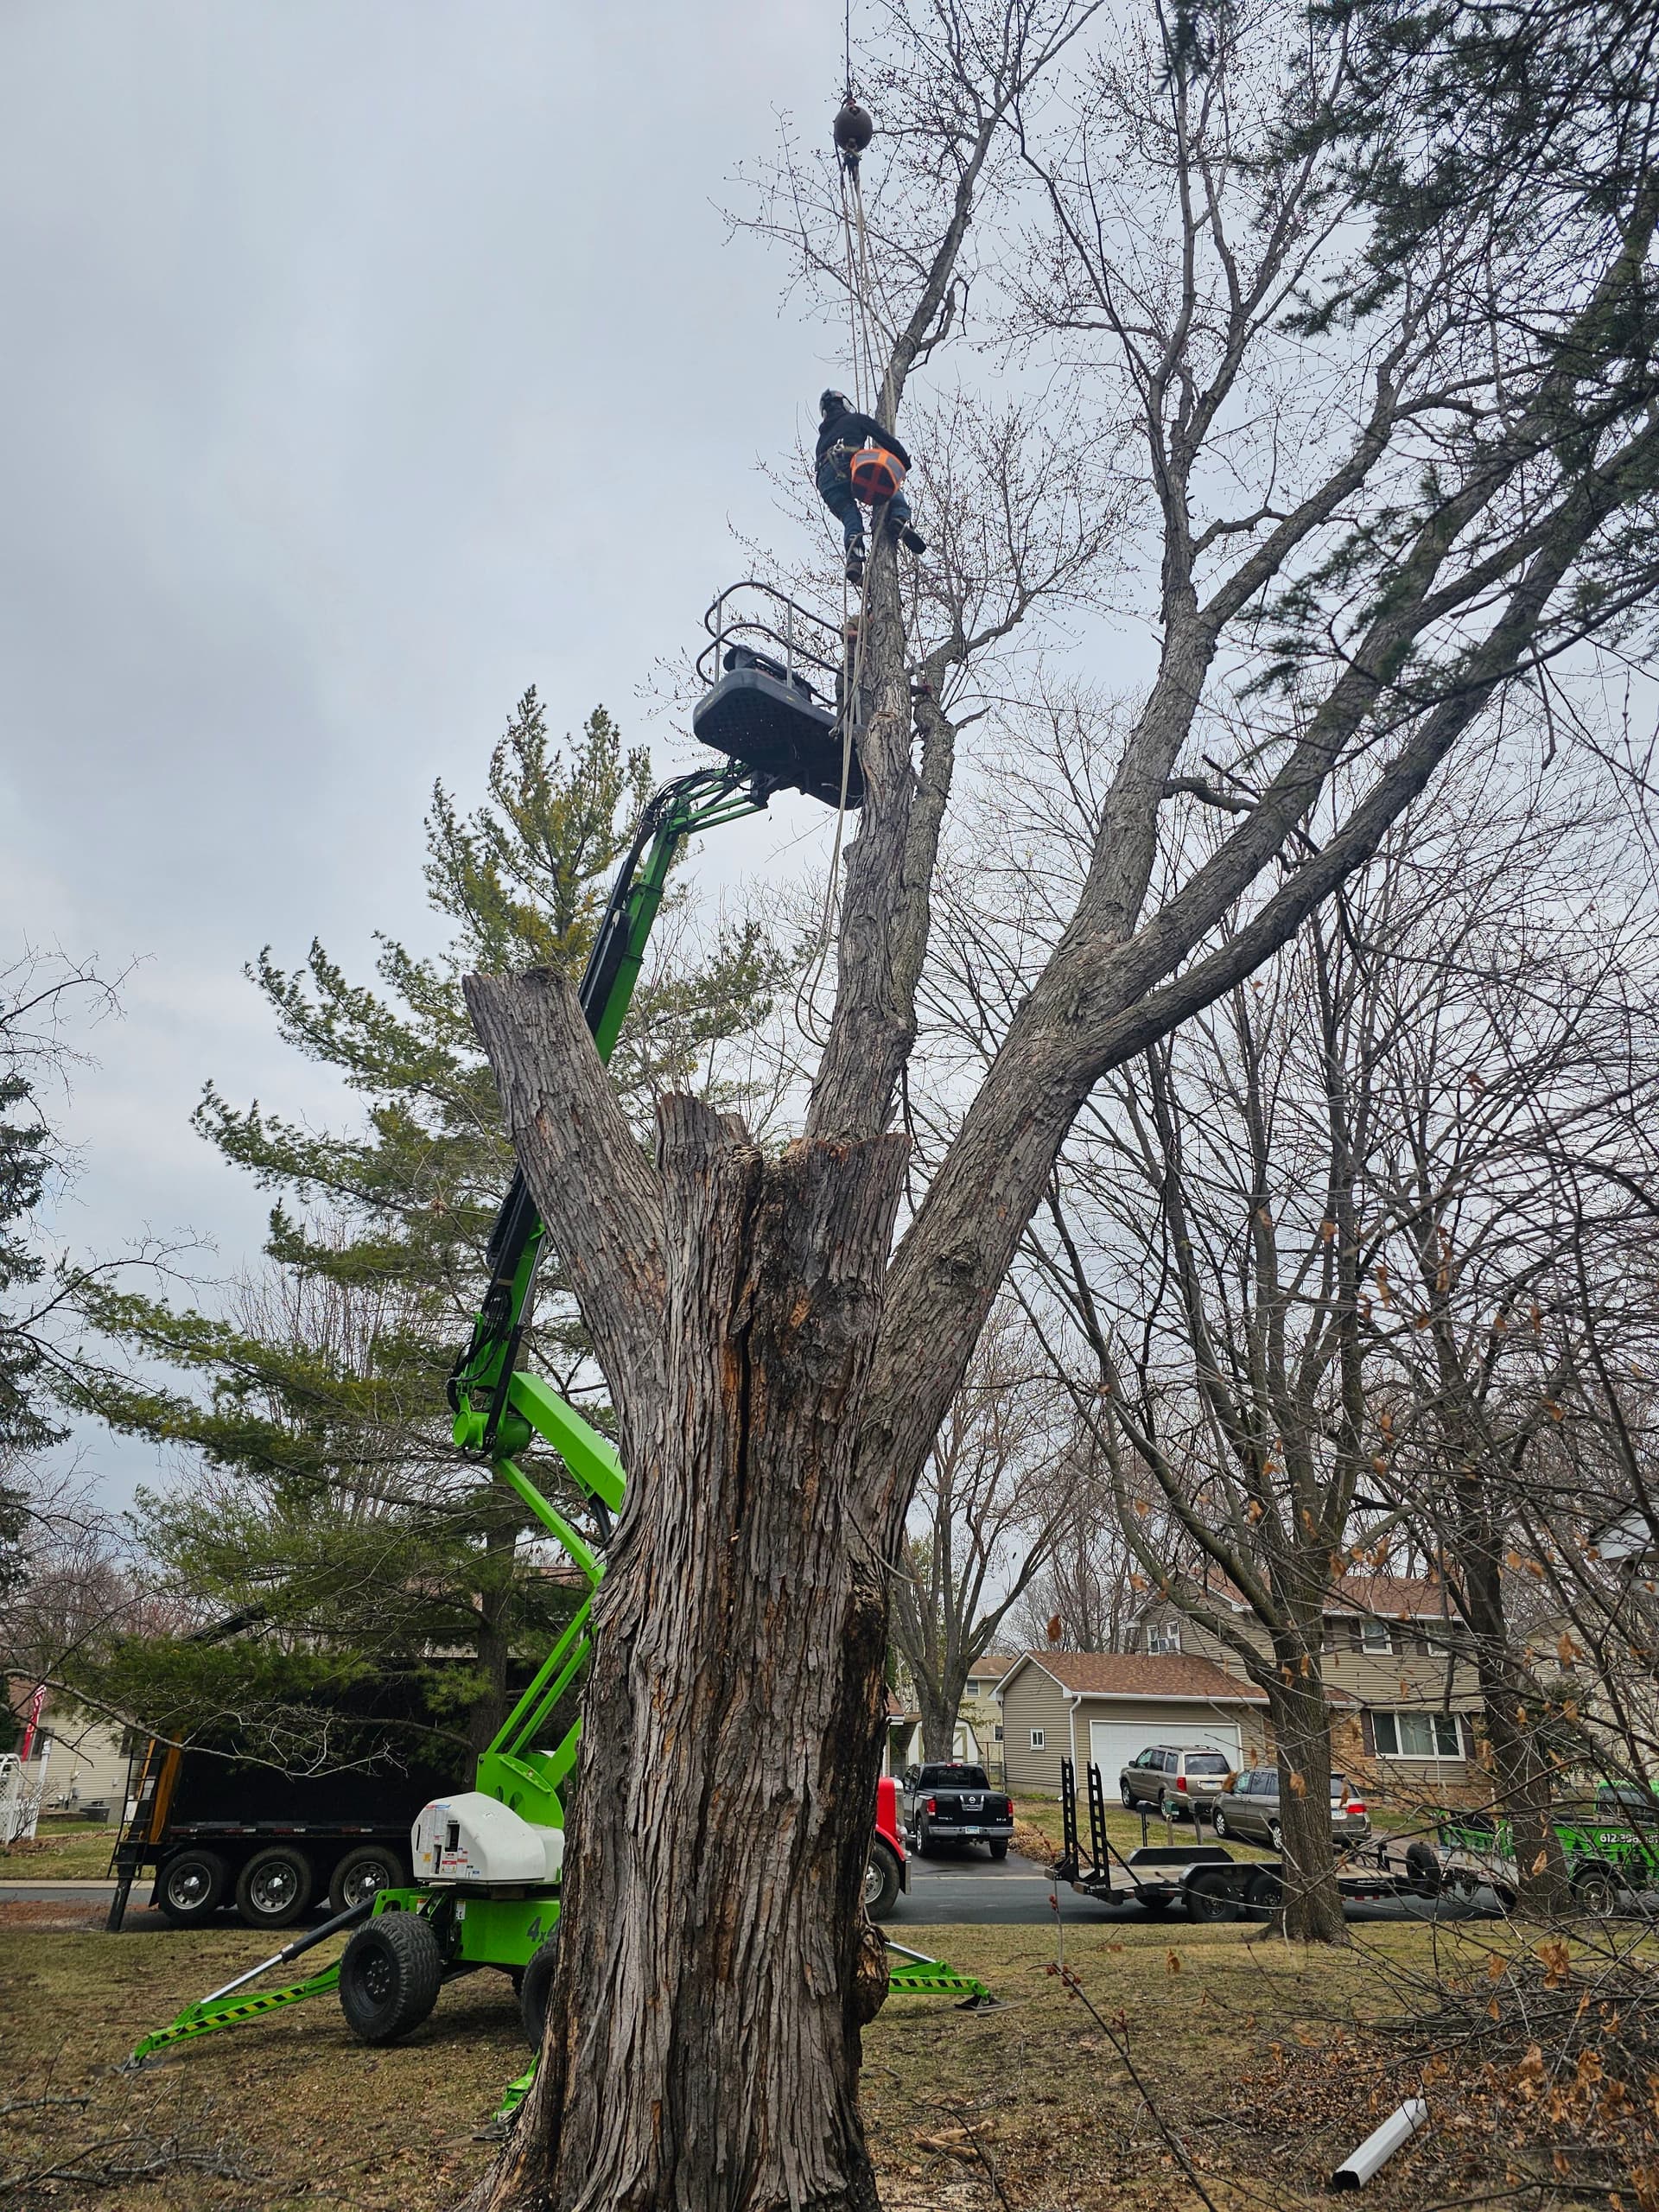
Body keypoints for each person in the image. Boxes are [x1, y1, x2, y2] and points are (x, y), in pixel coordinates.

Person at [815, 390, 927, 582]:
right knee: (887, 481)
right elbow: (886, 440)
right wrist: (904, 463)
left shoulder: (821, 441)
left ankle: (855, 557)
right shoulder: (856, 420)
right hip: (847, 466)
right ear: (843, 405)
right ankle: (900, 517)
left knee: (850, 514)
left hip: (826, 482)